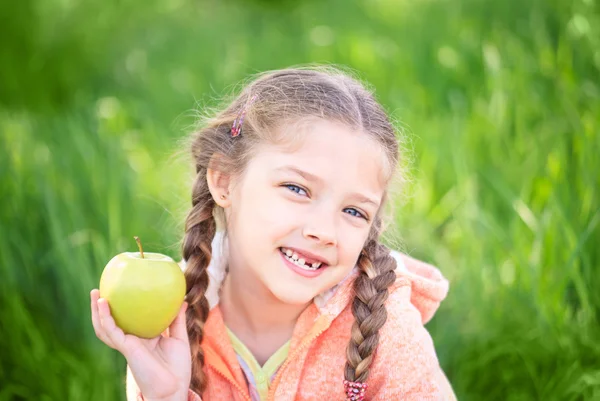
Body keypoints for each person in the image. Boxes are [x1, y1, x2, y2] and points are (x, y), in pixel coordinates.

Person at [90, 66, 456, 401]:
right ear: (225, 181)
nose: (323, 231)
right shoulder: (171, 321)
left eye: (353, 211)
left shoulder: (388, 332)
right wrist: (166, 396)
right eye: (297, 189)